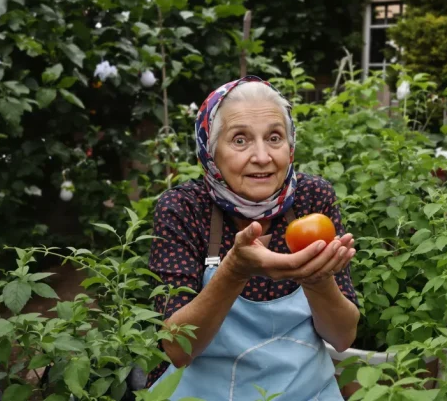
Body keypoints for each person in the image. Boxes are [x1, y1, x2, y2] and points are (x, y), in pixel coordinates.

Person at [146, 76, 360, 400]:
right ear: (209, 150)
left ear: (290, 148)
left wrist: (317, 279)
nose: (262, 157)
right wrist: (234, 270)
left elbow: (343, 337)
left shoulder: (312, 199)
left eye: (274, 137)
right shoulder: (183, 209)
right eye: (240, 140)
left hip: (304, 391)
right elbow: (178, 349)